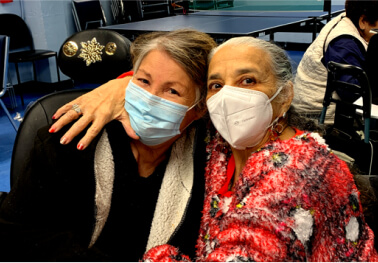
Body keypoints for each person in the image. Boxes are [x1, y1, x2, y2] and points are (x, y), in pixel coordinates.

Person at [51, 36, 377, 261]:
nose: (228, 98)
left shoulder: (297, 173)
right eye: (216, 85)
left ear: (285, 95)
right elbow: (173, 77)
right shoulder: (221, 143)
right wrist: (123, 86)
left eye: (248, 81)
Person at [0, 29, 217, 261]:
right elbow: (18, 231)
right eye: (143, 81)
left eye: (172, 91)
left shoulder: (209, 160)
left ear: (199, 108)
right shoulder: (70, 141)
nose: (150, 98)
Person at [293, 0, 378, 123]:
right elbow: (353, 94)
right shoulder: (344, 44)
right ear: (363, 22)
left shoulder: (349, 21)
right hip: (317, 118)